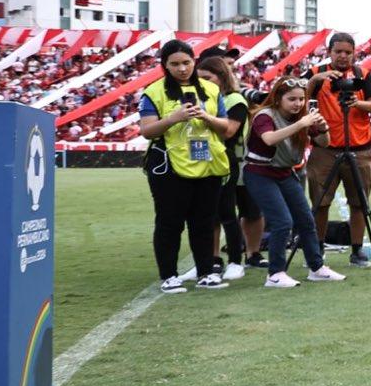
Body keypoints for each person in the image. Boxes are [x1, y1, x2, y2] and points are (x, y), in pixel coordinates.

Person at [136, 39, 239, 293]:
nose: (182, 68)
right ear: (164, 65)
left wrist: (206, 116)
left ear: (194, 62)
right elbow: (147, 130)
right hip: (169, 167)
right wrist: (174, 118)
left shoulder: (211, 90)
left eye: (186, 62)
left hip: (207, 163)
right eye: (175, 64)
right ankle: (169, 275)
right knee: (169, 223)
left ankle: (206, 272)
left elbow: (225, 128)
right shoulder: (154, 91)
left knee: (203, 221)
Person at [244, 78, 345, 287]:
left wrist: (323, 128)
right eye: (292, 99)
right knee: (283, 221)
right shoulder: (265, 115)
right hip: (260, 173)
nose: (298, 103)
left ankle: (316, 267)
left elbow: (324, 143)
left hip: (285, 172)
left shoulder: (302, 118)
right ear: (278, 98)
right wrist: (302, 124)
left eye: (301, 99)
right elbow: (269, 139)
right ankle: (275, 273)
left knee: (306, 220)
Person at [306, 31, 371, 265]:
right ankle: (317, 249)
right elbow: (297, 98)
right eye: (338, 51)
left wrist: (356, 103)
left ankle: (357, 249)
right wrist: (313, 82)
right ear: (328, 52)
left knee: (359, 202)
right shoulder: (316, 74)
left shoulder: (362, 74)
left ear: (354, 54)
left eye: (348, 53)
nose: (343, 56)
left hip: (359, 148)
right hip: (325, 148)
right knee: (320, 202)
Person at [196, 50, 257, 281]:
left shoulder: (234, 100)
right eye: (199, 78)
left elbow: (229, 130)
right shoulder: (204, 99)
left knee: (227, 213)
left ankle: (234, 261)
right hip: (202, 159)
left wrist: (203, 116)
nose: (202, 83)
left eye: (208, 78)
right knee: (205, 215)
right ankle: (208, 261)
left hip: (225, 159)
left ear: (222, 77)